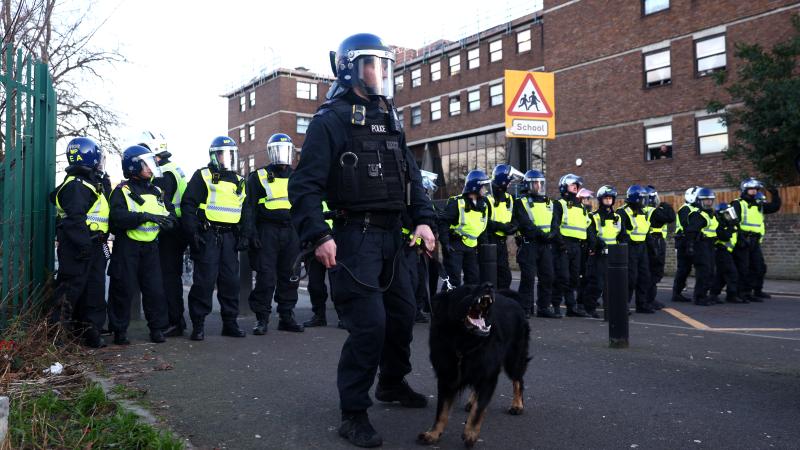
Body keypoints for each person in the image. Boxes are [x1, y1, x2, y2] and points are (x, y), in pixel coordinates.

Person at [287, 33, 436, 448]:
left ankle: (391, 382)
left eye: (385, 66)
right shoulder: (330, 119)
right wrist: (318, 234)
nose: (381, 73)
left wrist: (423, 221)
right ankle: (353, 412)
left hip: (394, 238)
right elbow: (303, 186)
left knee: (403, 318)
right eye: (374, 64)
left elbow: (410, 177)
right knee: (369, 326)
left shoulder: (389, 115)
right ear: (351, 67)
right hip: (355, 238)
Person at [181, 136, 249, 341]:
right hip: (208, 235)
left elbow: (246, 210)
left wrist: (246, 234)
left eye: (230, 155)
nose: (227, 158)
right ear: (214, 155)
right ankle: (198, 325)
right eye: (223, 154)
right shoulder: (202, 176)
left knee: (230, 282)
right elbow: (188, 205)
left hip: (229, 238)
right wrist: (192, 232)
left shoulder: (239, 180)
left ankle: (230, 323)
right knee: (204, 282)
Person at [107, 145, 175, 344]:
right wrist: (143, 217)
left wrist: (170, 222)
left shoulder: (157, 190)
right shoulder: (122, 191)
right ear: (134, 165)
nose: (150, 167)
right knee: (122, 290)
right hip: (127, 247)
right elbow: (116, 219)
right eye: (146, 163)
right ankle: (119, 331)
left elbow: (169, 212)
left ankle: (157, 329)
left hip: (151, 248)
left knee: (155, 290)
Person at [51, 137, 111, 348]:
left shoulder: (91, 184)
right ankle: (58, 336)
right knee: (70, 290)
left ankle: (90, 332)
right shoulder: (77, 186)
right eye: (98, 158)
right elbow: (75, 219)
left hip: (93, 244)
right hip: (79, 246)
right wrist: (84, 244)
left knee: (93, 291)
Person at [246, 133, 304, 334]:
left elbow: (304, 206)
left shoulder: (298, 176)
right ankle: (262, 319)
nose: (282, 155)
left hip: (291, 231)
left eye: (285, 150)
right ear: (271, 153)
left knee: (291, 275)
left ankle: (286, 316)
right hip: (267, 231)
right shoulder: (258, 177)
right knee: (265, 277)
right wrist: (251, 234)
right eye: (277, 150)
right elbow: (249, 208)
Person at [147, 140, 189, 337]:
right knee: (171, 276)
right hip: (177, 228)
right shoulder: (173, 168)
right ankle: (175, 320)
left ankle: (174, 321)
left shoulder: (162, 173)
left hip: (170, 231)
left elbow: (161, 203)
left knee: (168, 277)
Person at [513, 169, 558, 318]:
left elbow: (554, 222)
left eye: (540, 183)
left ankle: (543, 307)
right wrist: (542, 235)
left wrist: (552, 234)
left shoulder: (549, 203)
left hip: (545, 246)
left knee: (548, 276)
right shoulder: (521, 202)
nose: (539, 186)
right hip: (529, 244)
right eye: (536, 183)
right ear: (528, 185)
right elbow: (526, 224)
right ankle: (523, 308)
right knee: (528, 278)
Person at [438, 170, 491, 288]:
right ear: (475, 187)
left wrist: (484, 248)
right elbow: (443, 223)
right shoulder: (457, 203)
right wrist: (445, 243)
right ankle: (445, 305)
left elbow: (483, 230)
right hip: (455, 246)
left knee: (473, 281)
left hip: (472, 248)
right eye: (483, 186)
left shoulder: (484, 206)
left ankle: (466, 305)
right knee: (453, 281)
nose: (486, 190)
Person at [732, 178, 781, 301]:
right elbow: (732, 221)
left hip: (755, 241)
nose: (754, 192)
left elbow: (774, 207)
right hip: (742, 240)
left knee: (759, 267)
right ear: (745, 190)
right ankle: (743, 293)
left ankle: (757, 290)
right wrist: (740, 236)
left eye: (756, 189)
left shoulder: (759, 204)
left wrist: (775, 194)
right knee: (744, 268)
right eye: (751, 189)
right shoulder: (738, 203)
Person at [550, 173, 591, 317]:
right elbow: (554, 226)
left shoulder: (581, 207)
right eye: (572, 185)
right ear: (564, 187)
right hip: (563, 245)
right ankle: (555, 305)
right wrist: (561, 245)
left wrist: (587, 244)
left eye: (577, 185)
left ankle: (571, 307)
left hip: (577, 246)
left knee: (574, 278)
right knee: (562, 277)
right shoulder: (559, 204)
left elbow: (587, 225)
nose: (575, 187)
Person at [303, 200, 343, 328]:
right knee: (315, 285)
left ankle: (343, 316)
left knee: (337, 285)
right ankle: (319, 316)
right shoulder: (309, 195)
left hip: (335, 242)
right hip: (314, 243)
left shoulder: (334, 191)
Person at [616, 185, 654, 313]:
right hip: (629, 248)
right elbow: (621, 233)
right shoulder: (622, 212)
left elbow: (646, 231)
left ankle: (641, 305)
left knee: (644, 277)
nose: (645, 202)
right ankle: (623, 304)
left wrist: (652, 248)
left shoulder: (642, 212)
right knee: (630, 278)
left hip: (641, 248)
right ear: (636, 199)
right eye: (643, 199)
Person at [486, 164, 522, 289]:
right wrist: (501, 227)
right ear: (503, 181)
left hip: (501, 243)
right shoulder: (487, 198)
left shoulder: (510, 199)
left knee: (505, 277)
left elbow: (517, 217)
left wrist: (513, 227)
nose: (511, 184)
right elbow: (483, 221)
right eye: (509, 181)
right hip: (488, 242)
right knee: (488, 277)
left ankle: (501, 303)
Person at [643, 185, 676, 310]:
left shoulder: (644, 211)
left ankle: (650, 299)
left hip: (650, 242)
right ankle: (648, 300)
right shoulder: (654, 211)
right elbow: (671, 217)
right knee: (655, 271)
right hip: (655, 242)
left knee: (651, 272)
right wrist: (665, 205)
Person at [683, 187, 718, 306]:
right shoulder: (698, 215)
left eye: (710, 200)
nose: (708, 202)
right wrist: (690, 246)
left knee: (711, 272)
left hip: (710, 245)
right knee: (703, 272)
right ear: (699, 201)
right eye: (706, 200)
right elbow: (690, 231)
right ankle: (699, 297)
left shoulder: (710, 214)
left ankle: (704, 294)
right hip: (700, 245)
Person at [709, 203, 743, 303]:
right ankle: (731, 295)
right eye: (728, 214)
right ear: (721, 214)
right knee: (732, 273)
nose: (730, 216)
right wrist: (731, 228)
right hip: (720, 251)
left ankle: (713, 294)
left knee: (721, 275)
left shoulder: (728, 224)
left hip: (727, 252)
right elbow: (724, 236)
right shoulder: (719, 224)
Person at [672, 187, 699, 302]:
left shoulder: (696, 209)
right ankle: (677, 293)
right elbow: (687, 226)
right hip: (684, 242)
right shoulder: (685, 209)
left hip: (693, 241)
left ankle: (700, 293)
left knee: (699, 268)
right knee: (683, 269)